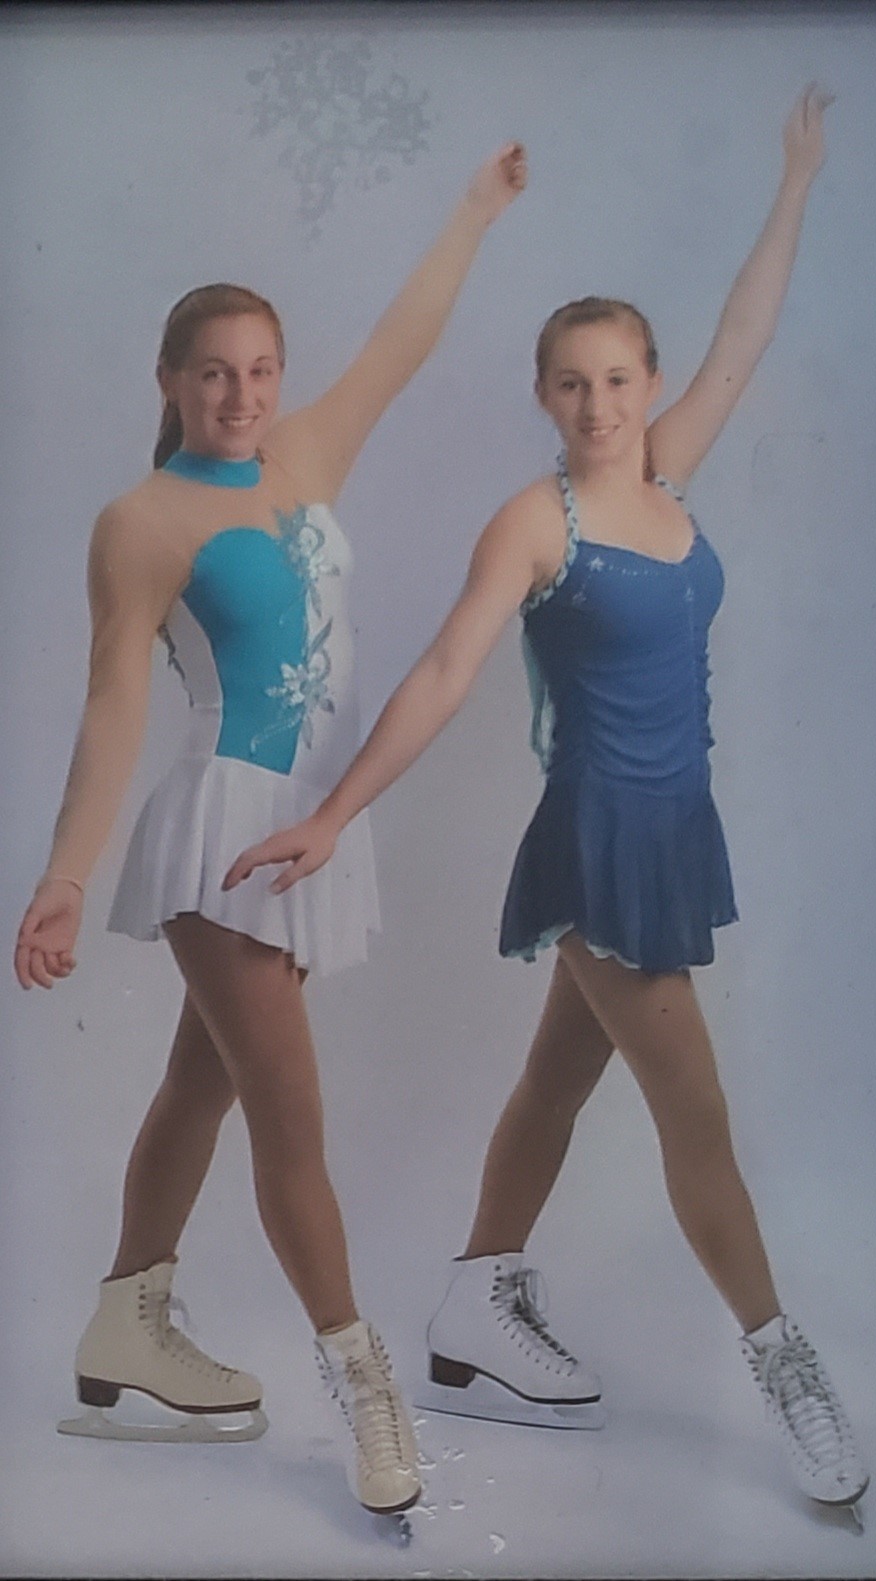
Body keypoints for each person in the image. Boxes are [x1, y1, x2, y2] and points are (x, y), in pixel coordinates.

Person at [222, 88, 869, 1523]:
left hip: (669, 827)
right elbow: (451, 666)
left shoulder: (668, 474)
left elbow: (748, 330)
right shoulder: (540, 522)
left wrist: (795, 181)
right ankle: (784, 1363)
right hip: (595, 838)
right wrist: (333, 811)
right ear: (544, 395)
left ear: (647, 384)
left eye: (618, 379)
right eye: (570, 384)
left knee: (556, 1079)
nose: (598, 404)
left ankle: (469, 1309)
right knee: (693, 1115)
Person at [13, 142, 527, 1519]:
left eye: (259, 369)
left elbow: (399, 343)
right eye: (212, 372)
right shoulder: (143, 519)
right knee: (291, 1121)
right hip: (224, 838)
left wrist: (472, 215)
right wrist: (65, 876)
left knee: (202, 1084)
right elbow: (116, 706)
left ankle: (127, 1318)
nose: (240, 394)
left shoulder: (301, 453)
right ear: (170, 383)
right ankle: (363, 1384)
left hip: (314, 826)